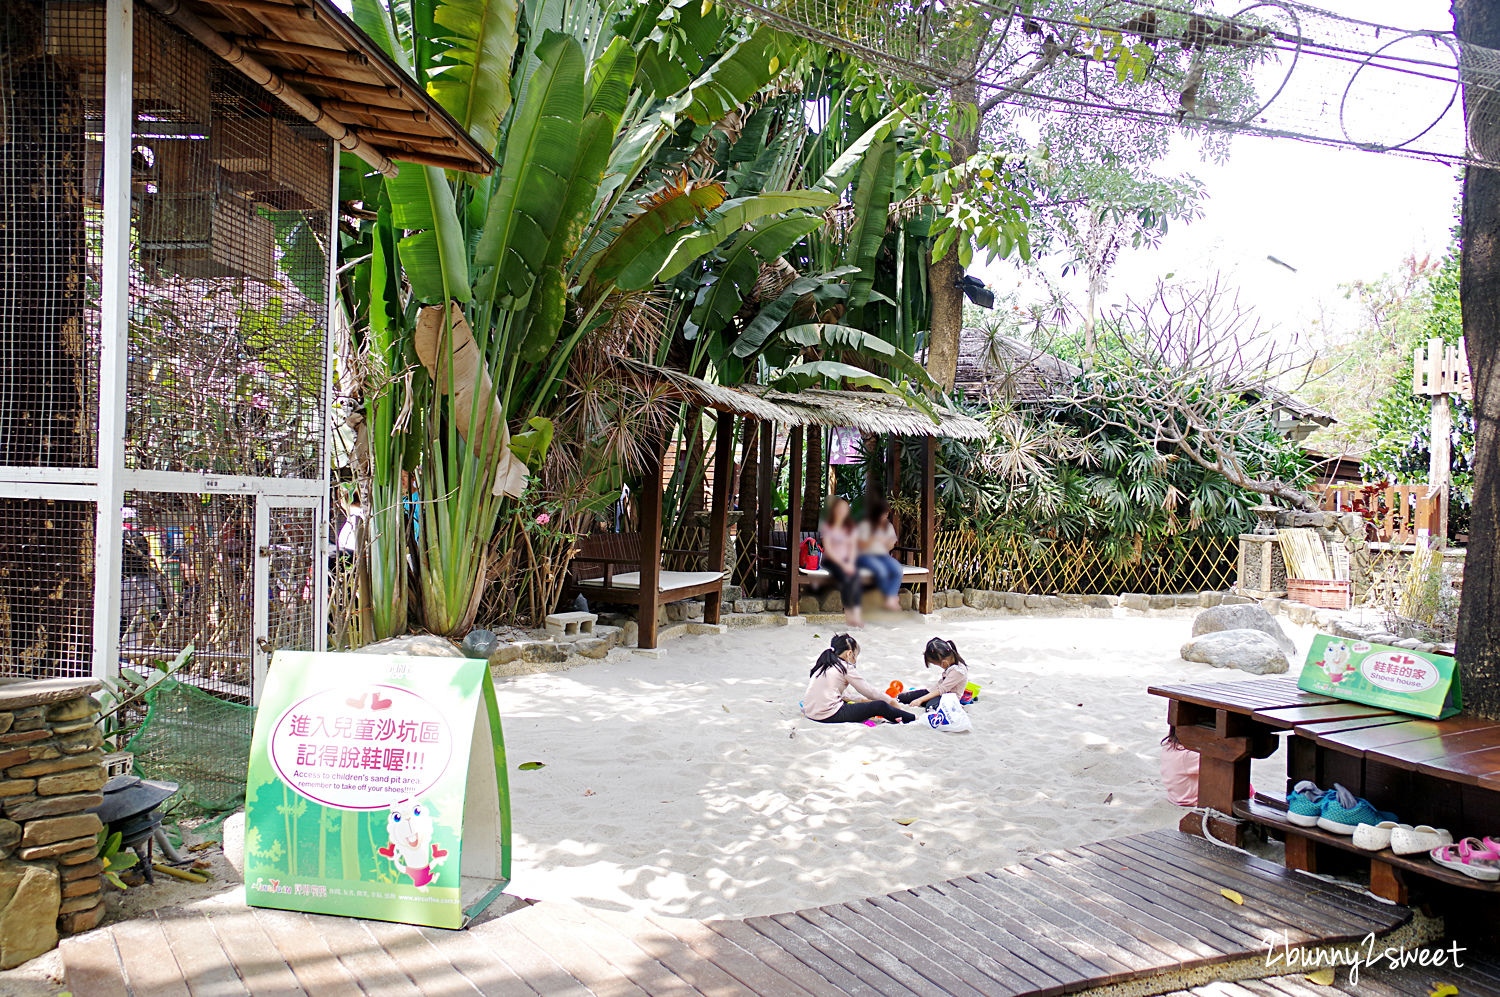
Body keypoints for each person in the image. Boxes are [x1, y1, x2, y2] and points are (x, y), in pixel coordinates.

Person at [801, 634, 916, 725]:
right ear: (849, 653)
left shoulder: (824, 664)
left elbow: (844, 695)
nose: (855, 661)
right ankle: (913, 718)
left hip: (810, 712)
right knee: (879, 705)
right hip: (828, 714)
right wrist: (891, 701)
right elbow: (868, 691)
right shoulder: (845, 667)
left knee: (863, 703)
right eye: (855, 657)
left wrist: (863, 701)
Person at [819, 498, 864, 628]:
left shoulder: (851, 527)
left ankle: (856, 613)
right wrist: (843, 565)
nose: (842, 511)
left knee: (855, 577)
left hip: (846, 560)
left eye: (845, 508)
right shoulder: (827, 525)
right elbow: (828, 549)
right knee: (845, 578)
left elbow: (853, 548)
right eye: (840, 508)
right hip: (830, 560)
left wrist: (850, 563)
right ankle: (849, 614)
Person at [857, 501, 905, 612]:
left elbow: (891, 545)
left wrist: (886, 543)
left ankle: (890, 598)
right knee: (880, 570)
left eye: (886, 514)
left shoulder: (888, 526)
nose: (884, 516)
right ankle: (889, 598)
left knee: (897, 569)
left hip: (883, 556)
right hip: (865, 556)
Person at [898, 637, 970, 711]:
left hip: (946, 698)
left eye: (936, 664)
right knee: (902, 698)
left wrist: (920, 700)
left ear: (944, 662)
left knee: (931, 708)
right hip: (934, 692)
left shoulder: (959, 671)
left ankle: (955, 707)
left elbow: (942, 690)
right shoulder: (951, 664)